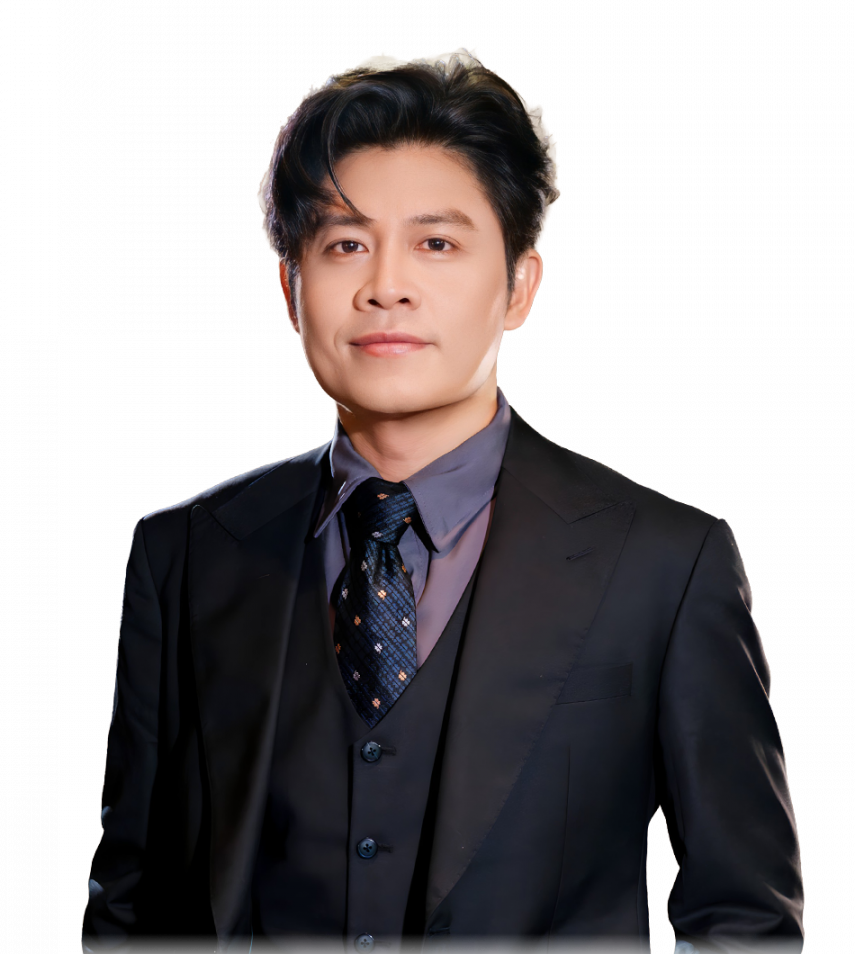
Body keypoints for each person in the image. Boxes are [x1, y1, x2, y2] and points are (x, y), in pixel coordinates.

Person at [81, 47, 804, 954]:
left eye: (436, 243)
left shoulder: (665, 560)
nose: (385, 285)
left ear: (519, 287)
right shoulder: (185, 551)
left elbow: (744, 921)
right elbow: (131, 903)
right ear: (290, 289)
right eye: (345, 244)